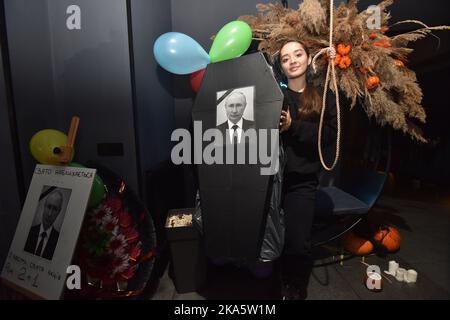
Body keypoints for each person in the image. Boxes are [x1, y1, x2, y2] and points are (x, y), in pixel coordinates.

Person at [277, 40, 337, 299]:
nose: (292, 60)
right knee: (272, 238)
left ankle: (295, 287)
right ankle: (274, 282)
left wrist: (294, 127)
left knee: (298, 241)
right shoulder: (276, 96)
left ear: (308, 57)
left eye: (297, 54)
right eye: (285, 58)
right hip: (271, 180)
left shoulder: (325, 98)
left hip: (302, 182)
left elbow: (329, 136)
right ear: (280, 67)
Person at [24, 190, 63, 260]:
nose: (49, 214)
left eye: (54, 209)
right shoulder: (28, 231)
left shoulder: (60, 241)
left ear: (59, 212)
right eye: (48, 207)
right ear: (44, 206)